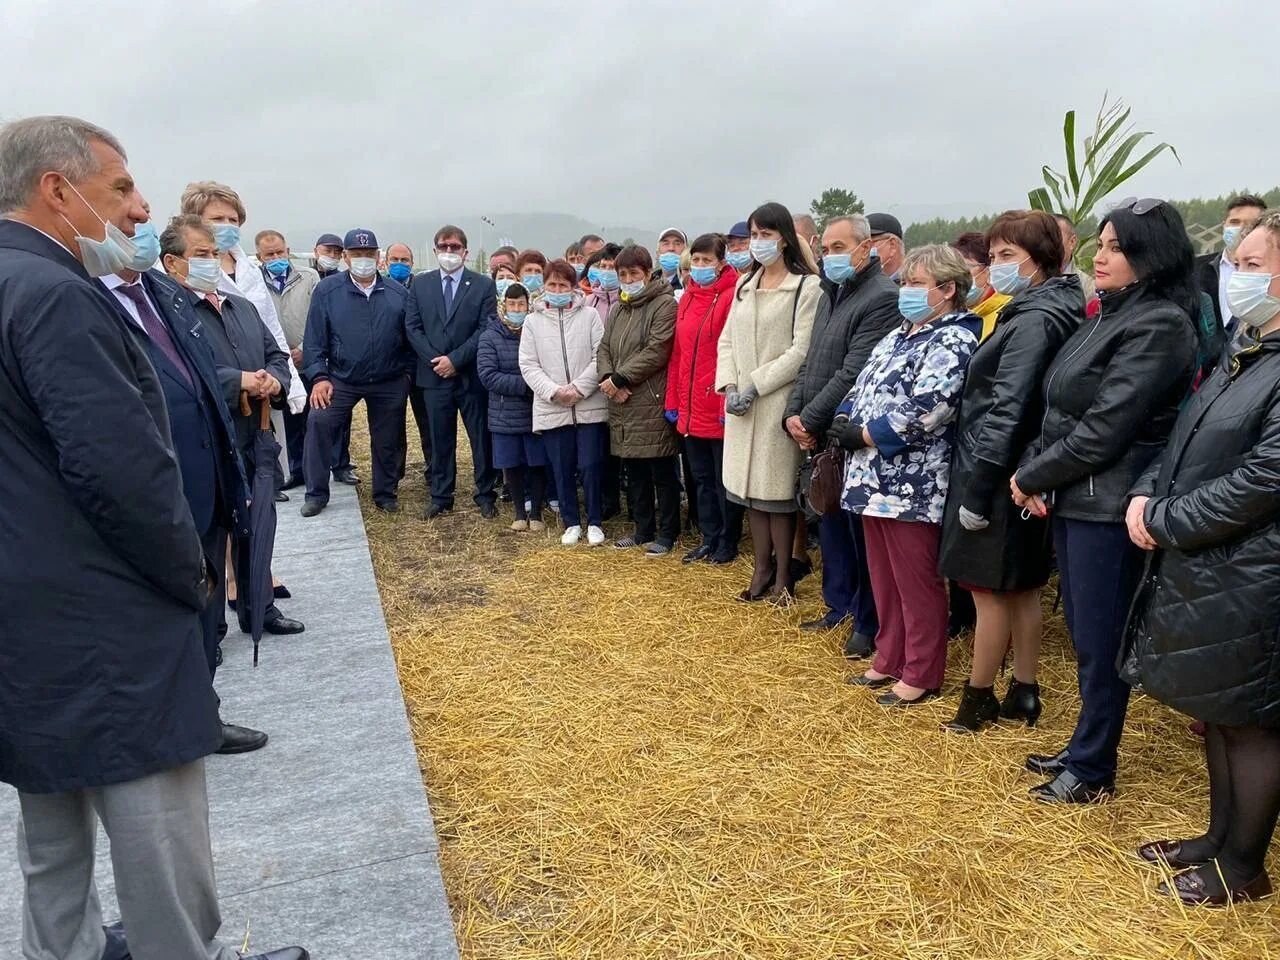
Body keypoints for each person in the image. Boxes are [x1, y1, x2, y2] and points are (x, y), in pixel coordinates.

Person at [0, 114, 306, 960]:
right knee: (158, 848)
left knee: (53, 843)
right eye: (122, 187)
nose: (140, 210)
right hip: (110, 622)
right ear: (58, 190)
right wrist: (192, 575)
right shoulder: (59, 294)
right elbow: (118, 470)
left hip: (26, 620)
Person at [1011, 198, 1199, 804]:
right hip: (1077, 494)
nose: (1102, 255)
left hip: (1108, 500)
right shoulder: (1105, 316)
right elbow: (1059, 406)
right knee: (1089, 636)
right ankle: (1084, 745)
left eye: (1118, 246)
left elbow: (1105, 428)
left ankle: (1093, 768)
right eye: (1101, 242)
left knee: (1099, 639)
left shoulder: (1159, 324)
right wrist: (1038, 473)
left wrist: (1034, 475)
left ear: (1152, 255)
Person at [1123, 210, 1280, 907]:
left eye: (1250, 265)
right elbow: (1186, 440)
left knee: (1249, 722)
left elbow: (1264, 478)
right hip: (1212, 563)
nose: (1234, 277)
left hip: (1254, 571)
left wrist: (1167, 522)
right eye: (1235, 263)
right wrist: (1149, 494)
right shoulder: (1247, 350)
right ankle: (1217, 840)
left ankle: (1243, 867)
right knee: (1219, 709)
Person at [103, 216, 268, 756]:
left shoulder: (161, 297)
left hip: (206, 484)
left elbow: (200, 383)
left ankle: (204, 716)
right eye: (125, 206)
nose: (140, 217)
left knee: (203, 613)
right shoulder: (84, 300)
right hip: (150, 491)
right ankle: (165, 724)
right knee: (163, 614)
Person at [938, 211, 1082, 733]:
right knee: (1021, 586)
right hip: (1022, 466)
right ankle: (1024, 689)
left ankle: (977, 698)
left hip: (997, 466)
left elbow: (1008, 404)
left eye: (1006, 257)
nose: (995, 267)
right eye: (993, 255)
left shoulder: (1034, 318)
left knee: (987, 588)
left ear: (1040, 260)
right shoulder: (1051, 307)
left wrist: (978, 487)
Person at [835, 244, 979, 706]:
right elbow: (862, 383)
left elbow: (931, 405)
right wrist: (842, 420)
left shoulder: (953, 338)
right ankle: (888, 655)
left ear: (948, 289)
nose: (907, 291)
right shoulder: (900, 334)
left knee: (916, 581)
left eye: (918, 284)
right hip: (872, 479)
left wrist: (867, 434)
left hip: (913, 482)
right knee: (885, 577)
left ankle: (921, 671)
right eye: (907, 282)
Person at [160, 215, 306, 638]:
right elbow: (179, 371)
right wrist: (236, 380)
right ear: (172, 263)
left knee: (259, 520)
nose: (211, 261)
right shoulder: (170, 314)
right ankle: (212, 627)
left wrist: (273, 378)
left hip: (254, 433)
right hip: (207, 438)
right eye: (200, 255)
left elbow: (273, 351)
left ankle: (258, 607)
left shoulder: (239, 305)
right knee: (211, 531)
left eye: (214, 253)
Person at [784, 214, 901, 655]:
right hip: (819, 432)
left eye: (838, 247)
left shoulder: (881, 298)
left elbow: (854, 371)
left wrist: (810, 420)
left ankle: (865, 621)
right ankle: (838, 606)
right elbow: (813, 361)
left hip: (848, 433)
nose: (829, 256)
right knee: (829, 523)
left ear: (865, 246)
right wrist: (793, 413)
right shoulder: (832, 292)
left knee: (857, 535)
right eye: (825, 248)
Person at [716, 201, 821, 605]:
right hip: (741, 405)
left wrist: (756, 385)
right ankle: (760, 571)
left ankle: (783, 578)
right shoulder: (745, 284)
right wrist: (728, 386)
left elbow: (800, 350)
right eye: (753, 235)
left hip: (776, 401)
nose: (757, 243)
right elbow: (727, 339)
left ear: (784, 240)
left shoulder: (805, 287)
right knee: (750, 494)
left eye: (765, 235)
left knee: (776, 495)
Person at [300, 228, 413, 517]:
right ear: (346, 258)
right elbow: (314, 339)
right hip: (341, 378)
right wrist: (319, 377)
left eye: (369, 254)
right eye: (357, 254)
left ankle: (385, 493)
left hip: (388, 380)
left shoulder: (398, 293)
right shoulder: (328, 291)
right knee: (319, 422)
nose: (364, 259)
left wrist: (406, 377)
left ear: (378, 257)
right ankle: (316, 493)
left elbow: (410, 338)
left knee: (388, 437)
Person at [179, 181, 308, 434]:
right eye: (217, 218)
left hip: (264, 384)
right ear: (194, 221)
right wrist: (238, 380)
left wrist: (286, 380)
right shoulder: (189, 269)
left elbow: (271, 327)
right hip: (219, 389)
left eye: (233, 219)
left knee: (267, 458)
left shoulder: (249, 269)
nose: (227, 226)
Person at [405, 224, 500, 519]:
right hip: (433, 377)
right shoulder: (420, 285)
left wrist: (455, 360)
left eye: (455, 247)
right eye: (444, 247)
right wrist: (437, 360)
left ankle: (485, 494)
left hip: (470, 375)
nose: (449, 252)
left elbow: (485, 328)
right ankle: (441, 495)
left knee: (480, 437)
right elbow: (413, 327)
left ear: (465, 252)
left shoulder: (483, 285)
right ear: (435, 251)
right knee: (439, 437)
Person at [598, 244, 681, 556]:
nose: (628, 279)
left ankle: (668, 532)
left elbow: (658, 349)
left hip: (650, 398)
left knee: (662, 471)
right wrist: (608, 379)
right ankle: (642, 529)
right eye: (623, 274)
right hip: (622, 402)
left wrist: (621, 378)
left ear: (648, 273)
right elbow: (604, 346)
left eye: (634, 273)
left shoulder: (664, 304)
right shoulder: (620, 308)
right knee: (634, 473)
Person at [519, 259, 609, 546]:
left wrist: (579, 388)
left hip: (588, 404)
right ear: (544, 287)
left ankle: (594, 520)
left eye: (563, 285)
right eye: (552, 285)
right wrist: (555, 391)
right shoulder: (532, 322)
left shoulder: (590, 316)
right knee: (561, 465)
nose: (557, 290)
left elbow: (601, 356)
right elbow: (528, 364)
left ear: (573, 288)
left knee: (591, 464)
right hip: (552, 406)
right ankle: (571, 522)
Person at [665, 233, 742, 564]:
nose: (699, 267)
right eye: (695, 260)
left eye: (706, 261)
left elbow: (734, 353)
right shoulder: (687, 299)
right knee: (701, 478)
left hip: (718, 404)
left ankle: (729, 540)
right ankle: (709, 537)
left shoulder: (732, 296)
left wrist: (727, 399)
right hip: (691, 405)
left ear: (721, 263)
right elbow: (679, 355)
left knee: (724, 480)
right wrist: (673, 401)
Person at [256, 229, 323, 490]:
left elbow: (318, 317)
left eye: (279, 252)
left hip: (309, 359)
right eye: (269, 254)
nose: (275, 258)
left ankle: (320, 468)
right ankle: (296, 471)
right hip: (277, 364)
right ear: (260, 257)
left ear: (288, 250)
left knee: (315, 418)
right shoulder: (254, 283)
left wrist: (306, 348)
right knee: (289, 420)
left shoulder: (309, 277)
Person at [478, 282, 546, 532]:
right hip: (504, 412)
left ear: (529, 306)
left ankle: (537, 512)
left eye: (521, 304)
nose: (516, 308)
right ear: (503, 305)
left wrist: (535, 384)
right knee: (512, 464)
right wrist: (526, 384)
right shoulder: (490, 336)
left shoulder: (537, 332)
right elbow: (488, 375)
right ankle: (519, 512)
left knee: (537, 462)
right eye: (512, 304)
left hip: (534, 411)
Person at [1196, 193, 1266, 335]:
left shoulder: (1273, 272)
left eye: (1250, 223)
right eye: (1234, 222)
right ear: (1224, 225)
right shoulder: (1195, 269)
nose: (1241, 229)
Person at [952, 230, 1012, 342]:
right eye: (951, 270)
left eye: (964, 268)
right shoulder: (955, 318)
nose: (955, 277)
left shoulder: (1007, 317)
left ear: (989, 271)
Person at [1052, 213, 1097, 303]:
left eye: (1054, 237)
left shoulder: (1087, 287)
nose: (1047, 243)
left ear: (1072, 241)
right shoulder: (1029, 278)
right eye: (1043, 237)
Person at [585, 241, 623, 323]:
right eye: (603, 266)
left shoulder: (627, 302)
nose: (607, 271)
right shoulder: (588, 302)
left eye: (612, 267)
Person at [867, 213, 905, 281]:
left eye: (870, 243)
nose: (864, 249)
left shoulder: (912, 285)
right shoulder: (859, 284)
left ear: (892, 245)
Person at [655, 227, 686, 292]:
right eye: (666, 243)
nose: (671, 248)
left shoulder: (688, 284)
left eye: (677, 244)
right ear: (658, 253)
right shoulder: (648, 282)